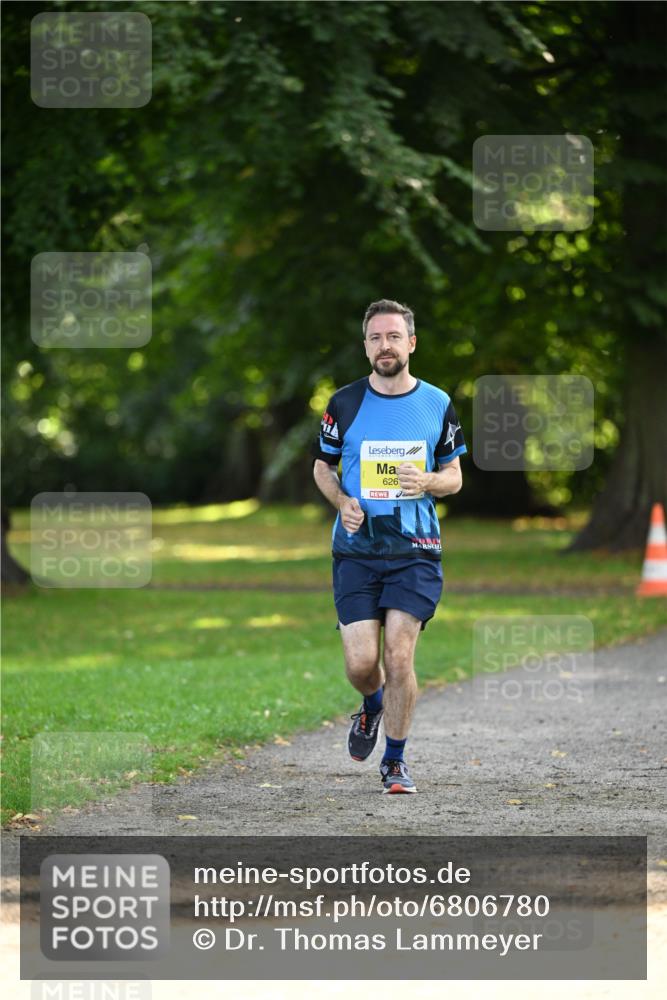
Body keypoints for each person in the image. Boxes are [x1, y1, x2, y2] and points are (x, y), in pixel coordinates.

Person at [312, 299, 466, 794]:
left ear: (411, 343)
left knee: (399, 658)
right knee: (362, 666)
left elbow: (455, 478)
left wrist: (426, 480)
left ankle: (395, 762)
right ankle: (372, 705)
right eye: (376, 338)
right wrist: (341, 501)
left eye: (394, 336)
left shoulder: (437, 403)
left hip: (415, 550)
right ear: (365, 346)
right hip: (357, 550)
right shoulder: (343, 403)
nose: (385, 346)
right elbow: (322, 467)